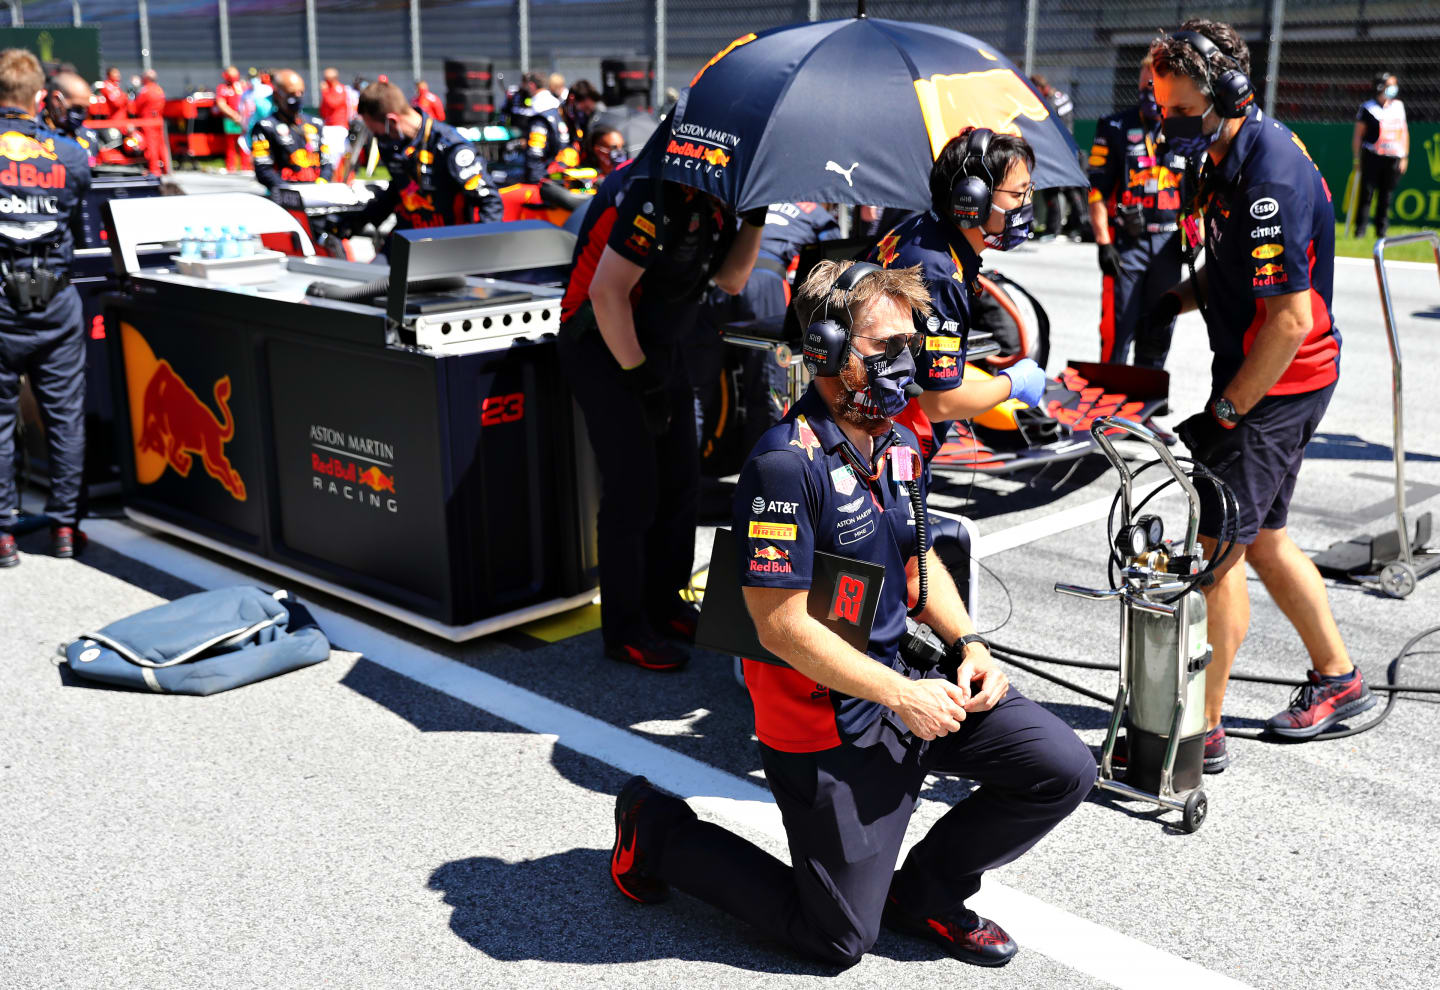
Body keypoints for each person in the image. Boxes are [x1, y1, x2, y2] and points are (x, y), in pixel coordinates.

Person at [608, 260, 1094, 968]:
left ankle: (924, 897)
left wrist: (970, 642)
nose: (908, 362)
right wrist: (901, 695)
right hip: (826, 726)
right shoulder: (784, 465)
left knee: (1062, 766)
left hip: (905, 690)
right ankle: (656, 828)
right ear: (828, 350)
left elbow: (915, 564)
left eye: (911, 343)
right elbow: (779, 626)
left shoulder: (898, 445)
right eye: (886, 347)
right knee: (834, 941)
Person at [1147, 20, 1372, 766]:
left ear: (1229, 93)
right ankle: (1340, 679)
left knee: (1217, 555)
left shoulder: (1268, 173)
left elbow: (1290, 320)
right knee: (1266, 539)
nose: (1167, 122)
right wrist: (1179, 298)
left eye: (1180, 110)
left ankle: (1200, 732)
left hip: (1278, 383)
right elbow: (1236, 266)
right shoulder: (1225, 152)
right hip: (1264, 376)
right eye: (1161, 107)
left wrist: (1227, 414)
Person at [558, 167, 762, 670]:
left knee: (681, 482)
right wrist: (640, 377)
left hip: (659, 345)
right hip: (600, 342)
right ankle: (625, 629)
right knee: (634, 491)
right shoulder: (649, 191)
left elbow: (730, 279)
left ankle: (665, 602)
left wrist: (755, 218)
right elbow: (606, 294)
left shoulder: (712, 195)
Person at [867, 128, 1048, 466]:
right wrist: (1013, 384)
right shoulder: (939, 272)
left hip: (872, 424)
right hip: (886, 445)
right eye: (1018, 194)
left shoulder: (920, 230)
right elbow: (941, 404)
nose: (1026, 206)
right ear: (973, 199)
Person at [0, 49, 92, 568]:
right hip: (55, 302)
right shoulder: (70, 154)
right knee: (65, 418)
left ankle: (3, 536)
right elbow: (81, 216)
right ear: (39, 97)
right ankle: (63, 529)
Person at [693, 201, 840, 455]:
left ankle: (683, 483)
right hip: (765, 281)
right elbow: (835, 260)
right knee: (767, 388)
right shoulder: (814, 212)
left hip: (718, 280)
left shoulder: (747, 199)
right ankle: (765, 476)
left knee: (696, 389)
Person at [1087, 55, 1186, 377]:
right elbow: (1096, 190)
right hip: (1127, 243)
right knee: (1119, 327)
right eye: (1145, 86)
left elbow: (1200, 189)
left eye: (1157, 87)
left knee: (1159, 326)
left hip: (1171, 244)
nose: (1150, 94)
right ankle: (1108, 402)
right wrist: (1104, 243)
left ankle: (1147, 405)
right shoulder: (1114, 126)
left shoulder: (1188, 127)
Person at [349, 79, 502, 235]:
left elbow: (490, 202)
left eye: (378, 133)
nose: (378, 139)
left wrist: (476, 248)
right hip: (406, 240)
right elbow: (397, 189)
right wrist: (354, 223)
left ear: (392, 121)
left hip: (445, 245)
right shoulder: (395, 146)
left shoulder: (449, 147)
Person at [249, 69, 331, 190]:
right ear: (277, 94)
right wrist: (288, 191)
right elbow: (263, 169)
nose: (297, 97)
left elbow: (326, 162)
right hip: (284, 195)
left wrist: (323, 182)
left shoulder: (315, 124)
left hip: (315, 193)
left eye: (300, 93)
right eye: (292, 94)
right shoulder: (265, 126)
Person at [1351, 71, 1408, 238]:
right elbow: (1358, 135)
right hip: (1372, 156)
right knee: (1366, 194)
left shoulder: (1398, 106)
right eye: (1390, 85)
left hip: (1393, 158)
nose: (1393, 89)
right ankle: (1360, 231)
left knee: (1386, 196)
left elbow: (1403, 132)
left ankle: (1381, 232)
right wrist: (1357, 158)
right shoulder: (1368, 108)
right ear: (1381, 86)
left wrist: (1404, 156)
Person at [1030, 74, 1086, 241]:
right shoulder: (1061, 97)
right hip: (1067, 149)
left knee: (1052, 188)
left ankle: (1055, 229)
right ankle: (1075, 226)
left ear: (1039, 87)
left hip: (1056, 150)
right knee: (1070, 188)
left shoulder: (1049, 102)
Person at [513, 71, 569, 182]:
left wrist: (534, 179)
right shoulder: (555, 103)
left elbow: (535, 151)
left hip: (544, 167)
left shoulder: (537, 106)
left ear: (531, 85)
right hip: (560, 164)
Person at [43, 70, 98, 167]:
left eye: (85, 109)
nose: (82, 114)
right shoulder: (35, 134)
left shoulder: (89, 137)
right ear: (57, 100)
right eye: (77, 108)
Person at [128, 69, 166, 175]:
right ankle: (166, 168)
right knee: (162, 145)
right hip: (158, 120)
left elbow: (135, 106)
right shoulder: (159, 89)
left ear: (146, 79)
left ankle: (155, 169)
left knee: (152, 146)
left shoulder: (145, 90)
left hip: (148, 121)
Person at [214, 65, 248, 173]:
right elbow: (221, 104)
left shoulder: (242, 86)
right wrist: (234, 115)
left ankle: (246, 167)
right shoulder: (222, 88)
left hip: (243, 119)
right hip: (230, 120)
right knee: (231, 145)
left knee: (244, 143)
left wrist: (243, 116)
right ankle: (231, 166)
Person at [563, 79, 601, 147]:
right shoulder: (557, 118)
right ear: (572, 99)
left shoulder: (588, 119)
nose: (588, 113)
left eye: (590, 110)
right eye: (586, 108)